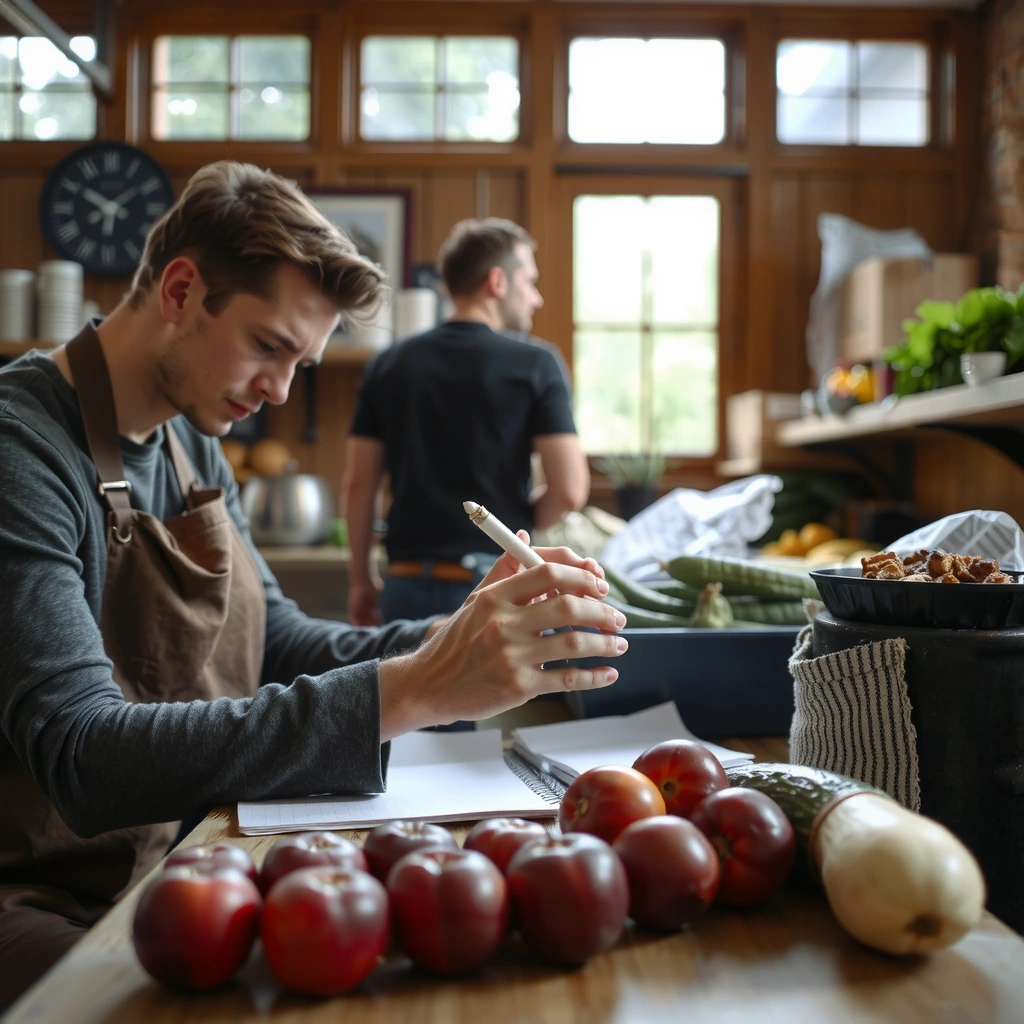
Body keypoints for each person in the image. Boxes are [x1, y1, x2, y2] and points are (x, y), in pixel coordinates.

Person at [0, 162, 627, 1010]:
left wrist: (462, 635)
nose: (280, 390)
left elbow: (278, 641)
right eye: (269, 346)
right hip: (35, 897)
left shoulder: (191, 441)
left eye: (302, 361)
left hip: (168, 865)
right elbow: (83, 757)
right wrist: (413, 687)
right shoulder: (22, 449)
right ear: (180, 292)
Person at [344, 218, 590, 627]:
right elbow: (570, 490)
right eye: (530, 282)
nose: (537, 298)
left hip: (404, 582)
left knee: (406, 674)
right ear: (497, 281)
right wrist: (511, 530)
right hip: (496, 583)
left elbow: (358, 485)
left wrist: (360, 580)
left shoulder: (388, 364)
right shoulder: (537, 364)